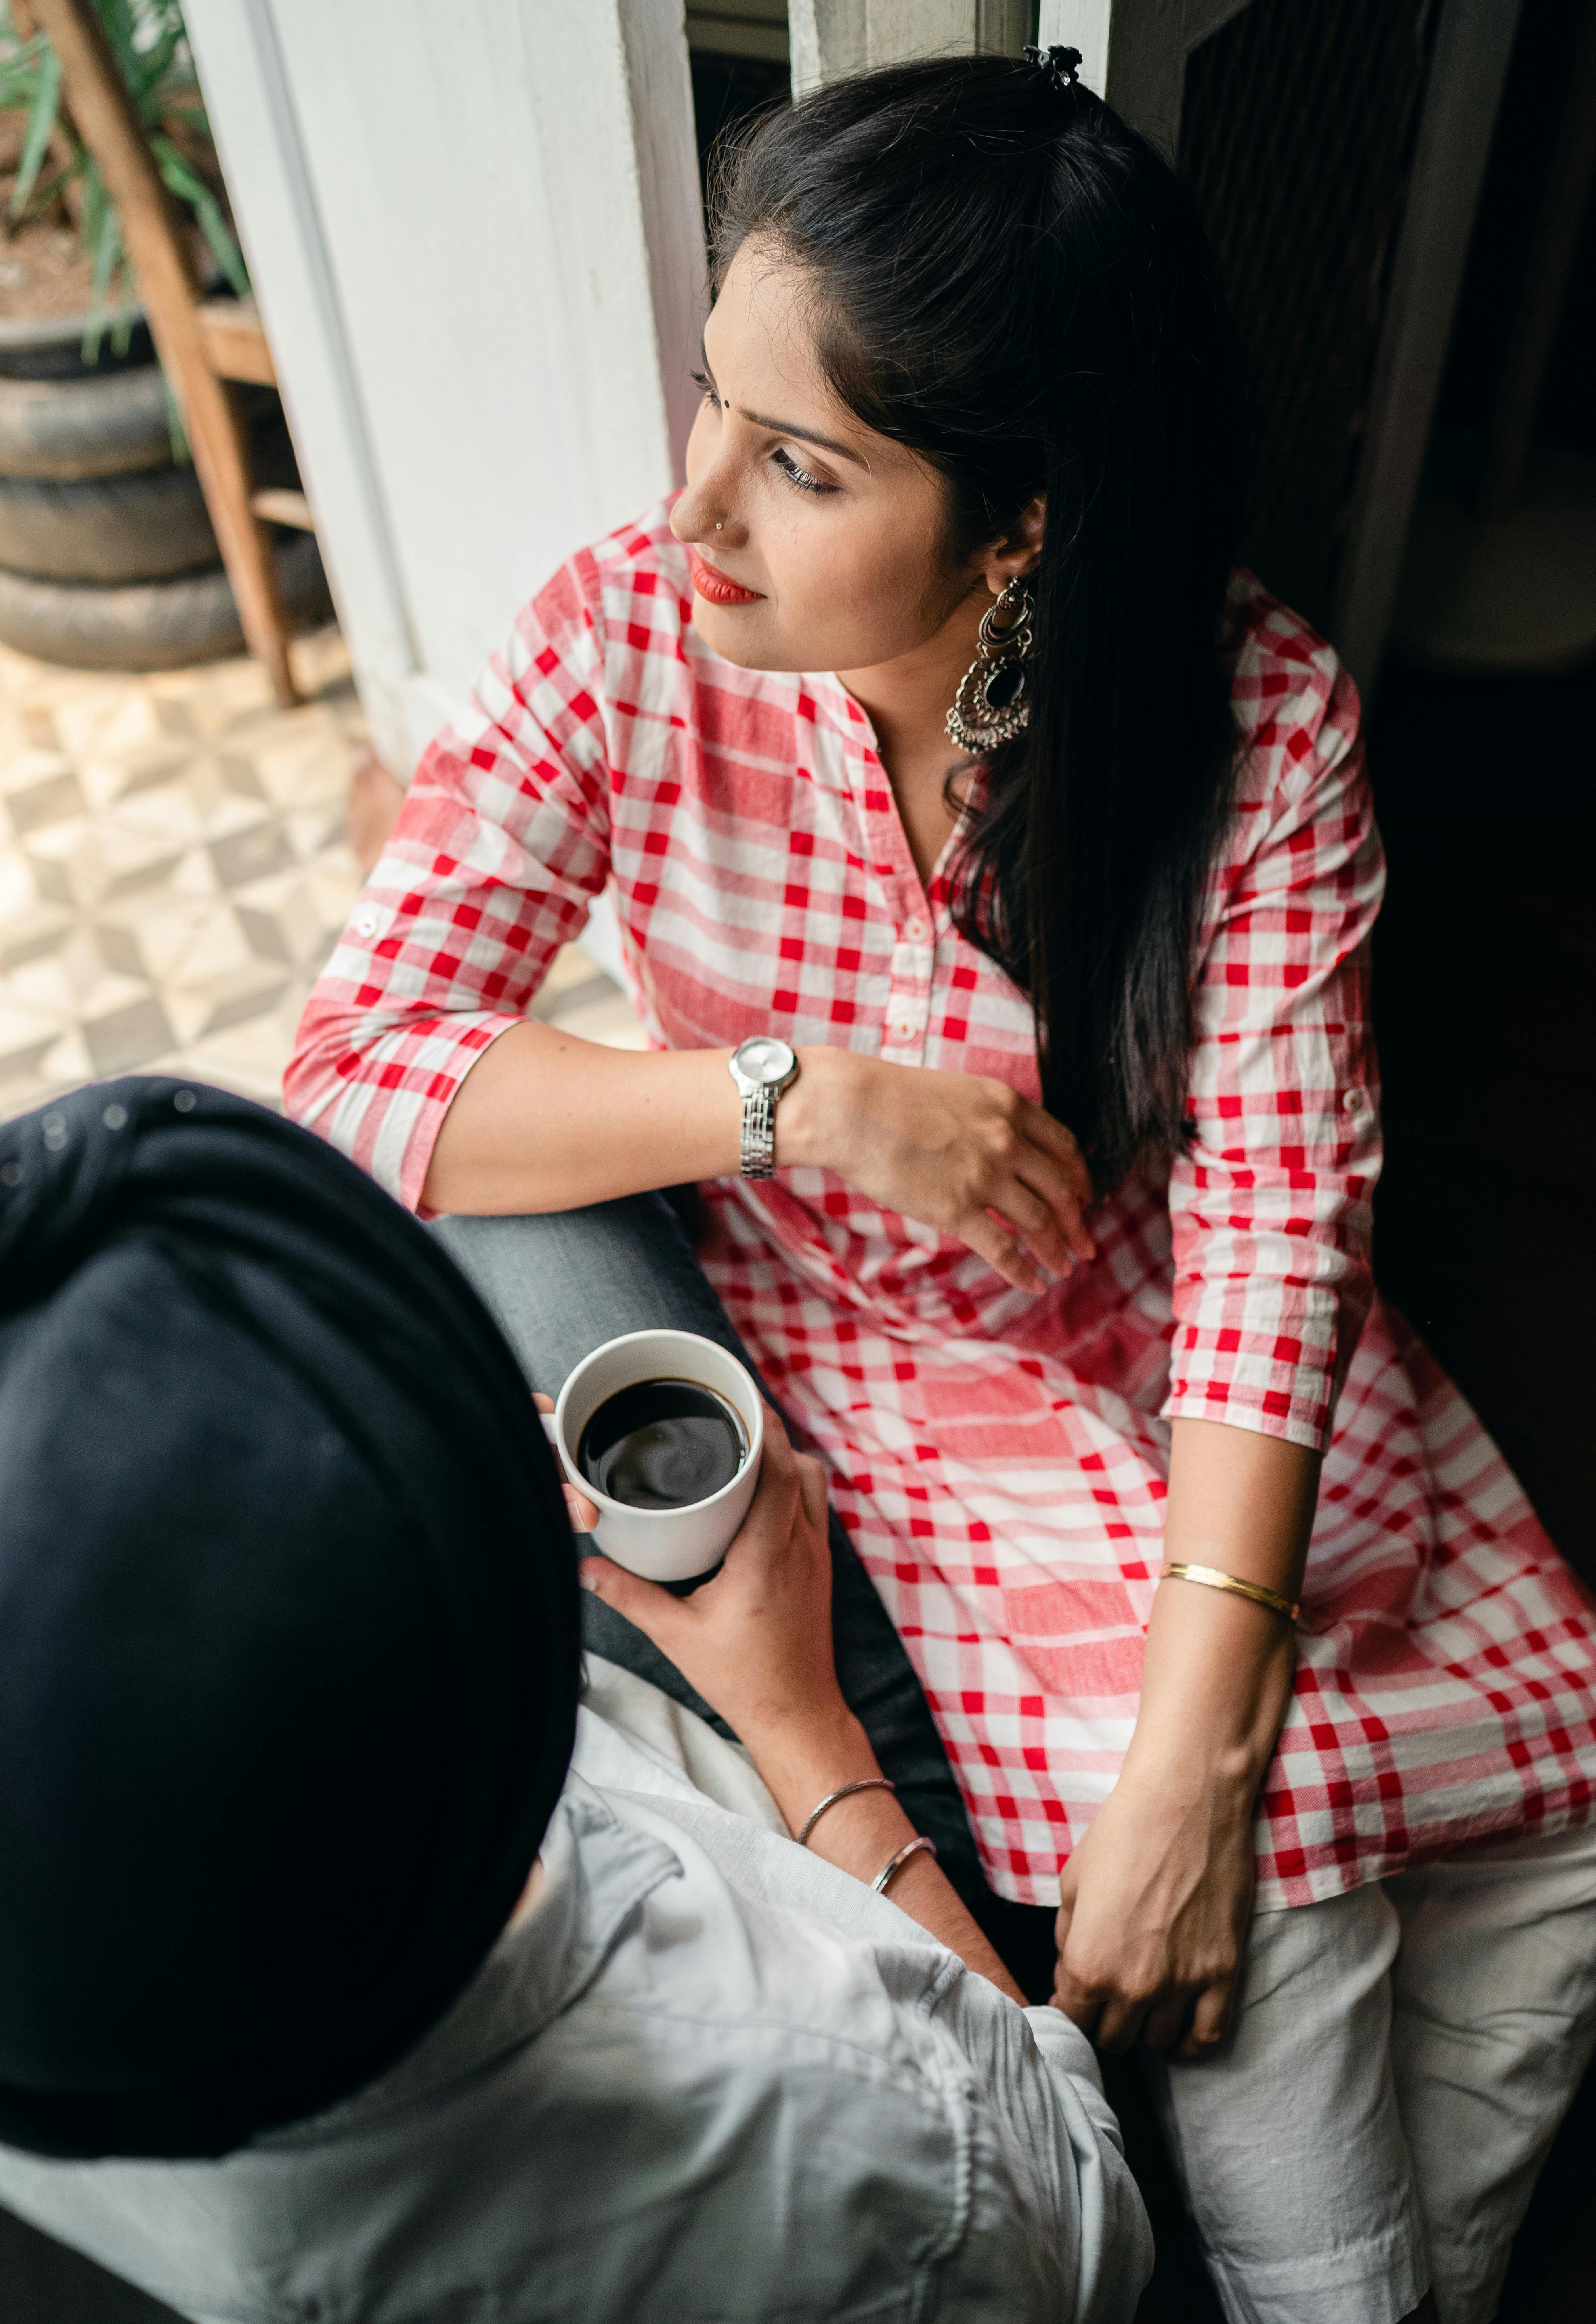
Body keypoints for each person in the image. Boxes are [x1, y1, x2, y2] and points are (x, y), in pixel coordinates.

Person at [285, 45, 1596, 2324]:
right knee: (1280, 1949)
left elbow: (1280, 1239)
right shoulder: (630, 639)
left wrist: (1199, 1752)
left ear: (1024, 530)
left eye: (797, 465)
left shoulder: (1259, 724)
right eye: (711, 404)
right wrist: (800, 1102)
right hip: (893, 1381)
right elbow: (352, 1075)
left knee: (1405, 1863)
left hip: (1193, 1365)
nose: (691, 508)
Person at [0, 1075, 1150, 2323]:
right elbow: (1086, 2192)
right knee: (521, 1202)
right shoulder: (866, 2144)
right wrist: (802, 1730)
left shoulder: (92, 1994)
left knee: (514, 1171)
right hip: (820, 1859)